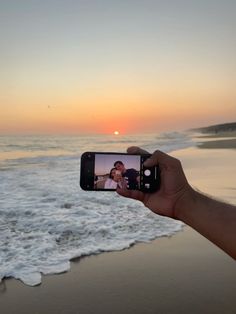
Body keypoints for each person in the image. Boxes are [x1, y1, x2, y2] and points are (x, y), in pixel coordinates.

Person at [116, 146, 236, 260]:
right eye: (117, 168)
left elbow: (138, 178)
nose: (119, 169)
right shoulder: (120, 175)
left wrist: (180, 199)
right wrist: (181, 201)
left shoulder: (131, 171)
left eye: (119, 166)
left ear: (122, 165)